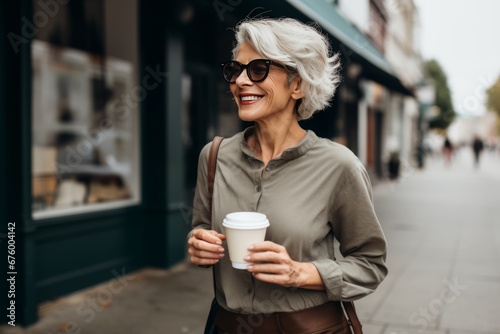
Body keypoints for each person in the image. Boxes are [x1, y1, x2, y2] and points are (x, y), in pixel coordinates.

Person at [187, 17, 387, 334]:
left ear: (298, 84)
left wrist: (300, 273)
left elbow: (370, 264)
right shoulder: (213, 157)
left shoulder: (338, 165)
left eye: (258, 70)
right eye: (235, 70)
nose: (240, 81)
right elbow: (200, 227)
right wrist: (198, 243)